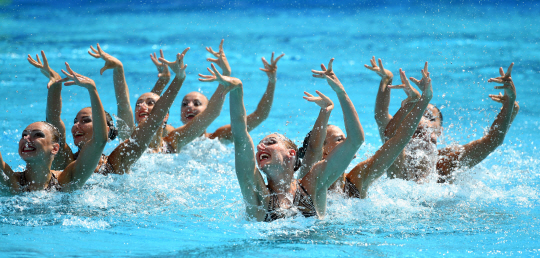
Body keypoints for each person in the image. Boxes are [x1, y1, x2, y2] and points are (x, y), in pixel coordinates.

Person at [201, 59, 364, 221]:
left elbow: (355, 141)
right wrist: (237, 90)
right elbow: (241, 136)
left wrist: (341, 93)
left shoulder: (313, 184)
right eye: (259, 146)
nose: (259, 147)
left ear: (291, 154)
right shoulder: (258, 197)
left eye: (270, 142)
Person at [28, 47, 189, 174]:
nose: (76, 125)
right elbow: (54, 122)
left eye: (85, 121)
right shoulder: (66, 160)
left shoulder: (117, 161)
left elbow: (154, 120)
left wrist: (179, 78)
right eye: (75, 121)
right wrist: (55, 86)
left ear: (104, 129)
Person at [369, 57, 519, 183]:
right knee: (393, 143)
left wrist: (510, 103)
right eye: (417, 112)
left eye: (429, 117)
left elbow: (493, 140)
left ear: (439, 131)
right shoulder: (396, 145)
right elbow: (381, 115)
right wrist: (386, 79)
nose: (422, 119)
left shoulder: (445, 164)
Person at [297, 64, 434, 198]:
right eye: (339, 139)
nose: (346, 141)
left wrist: (425, 99)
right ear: (323, 150)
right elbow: (313, 150)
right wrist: (334, 100)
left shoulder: (357, 180)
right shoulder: (308, 179)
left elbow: (398, 141)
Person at [0, 63, 107, 193]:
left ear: (55, 148)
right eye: (24, 135)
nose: (26, 138)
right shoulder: (10, 181)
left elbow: (99, 141)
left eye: (37, 134)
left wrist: (92, 90)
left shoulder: (66, 181)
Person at [159, 40, 283, 146]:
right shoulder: (170, 136)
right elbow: (151, 121)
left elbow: (260, 115)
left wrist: (272, 82)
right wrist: (163, 81)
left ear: (208, 109)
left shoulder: (218, 138)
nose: (189, 106)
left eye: (197, 103)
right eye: (184, 104)